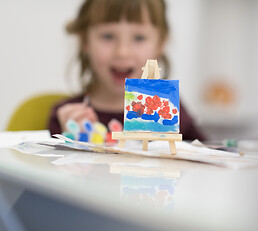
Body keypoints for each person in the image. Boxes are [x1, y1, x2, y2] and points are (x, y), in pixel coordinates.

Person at [48, 0, 205, 141]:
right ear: (85, 41)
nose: (122, 52)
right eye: (108, 36)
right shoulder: (66, 119)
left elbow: (207, 160)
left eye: (139, 38)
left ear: (161, 44)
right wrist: (70, 140)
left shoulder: (172, 112)